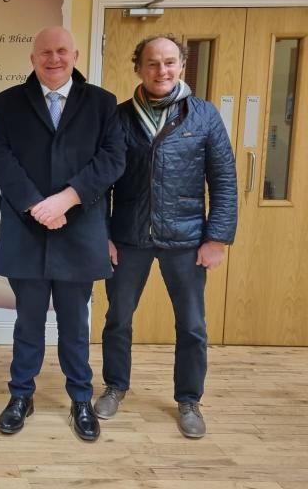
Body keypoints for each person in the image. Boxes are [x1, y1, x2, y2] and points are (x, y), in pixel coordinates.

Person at [95, 34, 237, 439]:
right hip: (128, 237)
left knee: (192, 325)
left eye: (170, 63)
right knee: (118, 319)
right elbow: (101, 184)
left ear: (182, 65)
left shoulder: (204, 116)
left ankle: (189, 400)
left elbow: (224, 181)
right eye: (153, 63)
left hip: (188, 239)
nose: (162, 71)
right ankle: (114, 387)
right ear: (138, 67)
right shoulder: (118, 118)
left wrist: (218, 238)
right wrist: (103, 236)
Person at [0, 26, 125, 441]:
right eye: (45, 51)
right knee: (27, 323)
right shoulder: (8, 103)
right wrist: (36, 204)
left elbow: (113, 159)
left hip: (79, 229)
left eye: (62, 51)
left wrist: (66, 199)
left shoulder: (102, 103)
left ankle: (80, 399)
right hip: (27, 229)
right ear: (32, 58)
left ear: (75, 55)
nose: (54, 58)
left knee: (74, 323)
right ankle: (21, 396)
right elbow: (0, 157)